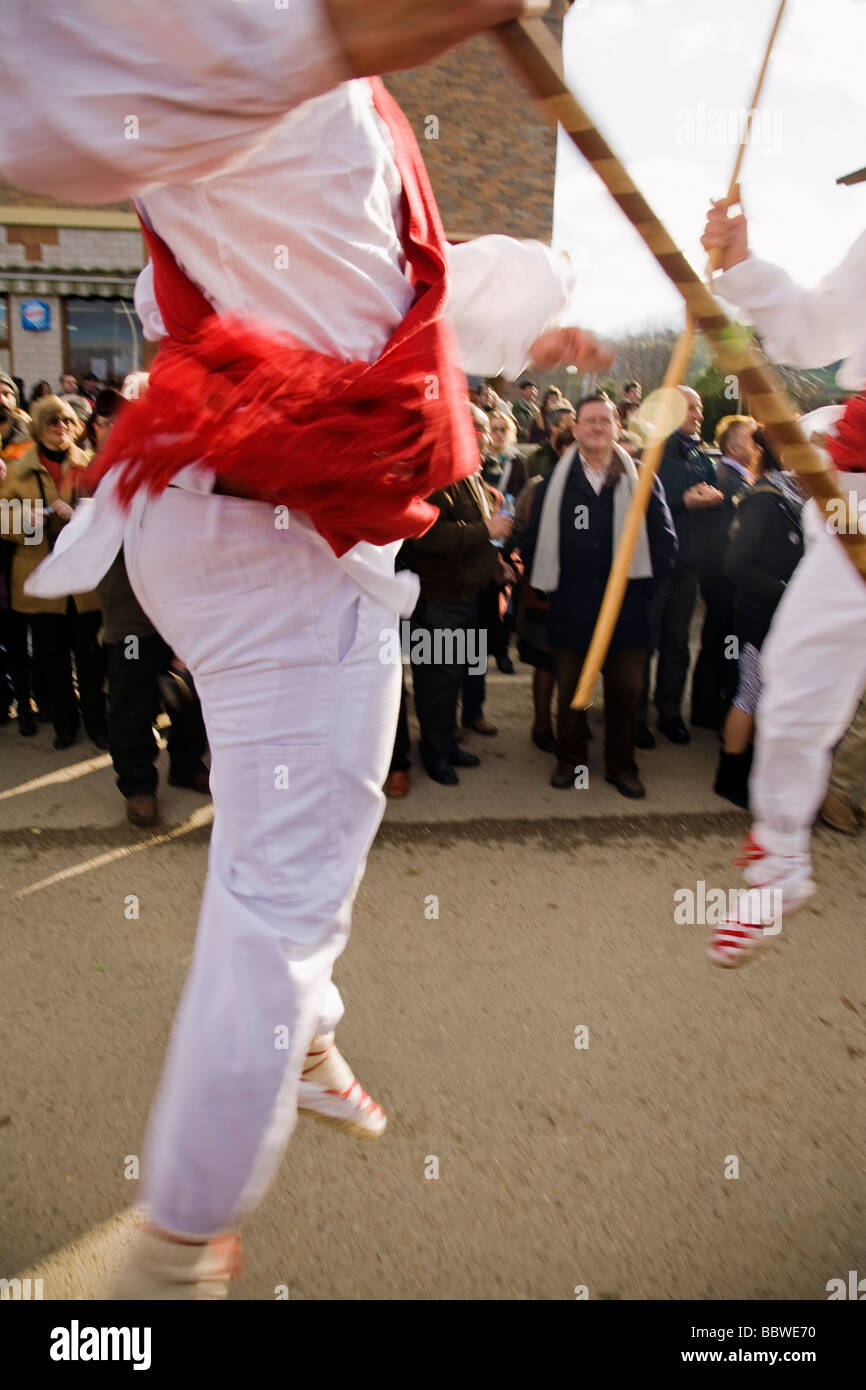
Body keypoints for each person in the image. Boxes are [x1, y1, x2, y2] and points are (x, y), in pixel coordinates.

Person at [10, 0, 614, 1298]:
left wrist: (543, 307)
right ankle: (175, 1254)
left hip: (241, 539)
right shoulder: (271, 52)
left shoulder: (341, 105)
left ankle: (310, 1050)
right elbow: (37, 91)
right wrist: (322, 37)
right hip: (267, 552)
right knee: (278, 902)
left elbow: (394, 275)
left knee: (284, 848)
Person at [700, 188, 866, 966]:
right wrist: (743, 269)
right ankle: (781, 859)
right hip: (858, 494)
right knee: (798, 662)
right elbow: (818, 326)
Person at [522, 393, 677, 797]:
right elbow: (534, 539)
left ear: (617, 427)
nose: (597, 427)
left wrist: (641, 593)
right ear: (574, 429)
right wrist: (551, 587)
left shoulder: (642, 478)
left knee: (626, 694)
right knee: (575, 694)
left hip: (627, 613)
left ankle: (622, 767)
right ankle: (571, 762)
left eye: (605, 421)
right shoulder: (554, 481)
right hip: (571, 609)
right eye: (589, 420)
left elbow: (664, 545)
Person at [94, 388, 210, 827]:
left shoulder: (186, 472)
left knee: (190, 695)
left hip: (181, 611)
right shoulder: (103, 475)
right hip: (129, 614)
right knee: (131, 700)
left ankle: (185, 765)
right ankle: (139, 784)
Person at [0, 395, 107, 748]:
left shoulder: (90, 465)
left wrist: (80, 517)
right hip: (43, 581)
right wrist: (31, 522)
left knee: (90, 660)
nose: (61, 428)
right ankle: (65, 724)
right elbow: (3, 520)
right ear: (38, 426)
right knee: (53, 659)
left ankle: (96, 723)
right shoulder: (17, 468)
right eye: (52, 422)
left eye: (66, 421)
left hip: (83, 582)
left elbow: (108, 518)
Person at [714, 429, 804, 808]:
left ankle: (760, 772)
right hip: (760, 618)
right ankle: (730, 777)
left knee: (774, 697)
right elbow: (734, 564)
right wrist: (789, 591)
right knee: (751, 693)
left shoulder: (797, 498)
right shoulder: (767, 500)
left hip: (786, 619)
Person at [648, 386, 724, 745]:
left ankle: (669, 711)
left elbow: (706, 501)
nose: (699, 415)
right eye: (692, 408)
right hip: (652, 563)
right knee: (643, 640)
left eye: (700, 407)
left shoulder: (702, 456)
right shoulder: (651, 452)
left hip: (689, 562)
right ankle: (632, 714)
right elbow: (641, 508)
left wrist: (714, 502)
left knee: (678, 641)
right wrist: (683, 503)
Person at [690, 413, 758, 732]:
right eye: (750, 437)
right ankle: (707, 708)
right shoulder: (727, 480)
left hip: (724, 575)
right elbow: (724, 533)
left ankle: (710, 705)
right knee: (720, 640)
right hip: (723, 576)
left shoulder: (739, 479)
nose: (756, 442)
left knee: (719, 640)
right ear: (732, 445)